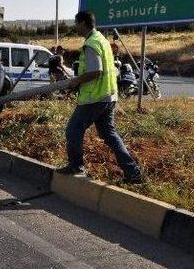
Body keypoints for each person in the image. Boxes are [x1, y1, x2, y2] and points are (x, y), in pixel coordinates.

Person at [58, 11, 142, 184]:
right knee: (109, 134)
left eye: (76, 23)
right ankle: (132, 172)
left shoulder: (91, 43)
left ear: (82, 23)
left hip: (94, 98)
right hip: (109, 96)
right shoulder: (102, 40)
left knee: (73, 130)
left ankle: (76, 166)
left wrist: (77, 81)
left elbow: (96, 71)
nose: (75, 27)